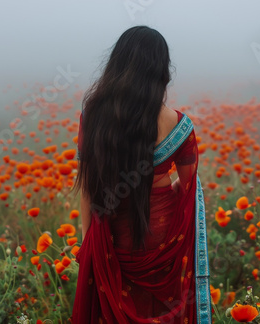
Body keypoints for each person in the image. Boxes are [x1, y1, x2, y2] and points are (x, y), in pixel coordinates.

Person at [70, 25, 210, 324]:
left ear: (117, 65)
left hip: (111, 239)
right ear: (161, 71)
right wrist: (164, 183)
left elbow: (86, 189)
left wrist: (88, 244)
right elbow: (187, 188)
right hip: (161, 242)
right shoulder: (179, 125)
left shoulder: (93, 116)